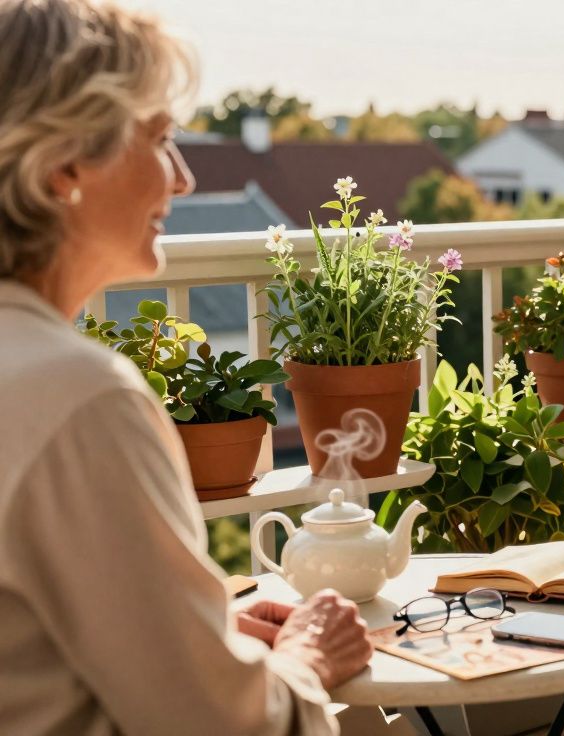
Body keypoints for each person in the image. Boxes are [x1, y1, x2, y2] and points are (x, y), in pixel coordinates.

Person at [0, 1, 371, 733]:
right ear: (64, 164)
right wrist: (303, 662)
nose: (184, 180)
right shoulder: (79, 398)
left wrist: (204, 631)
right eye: (163, 140)